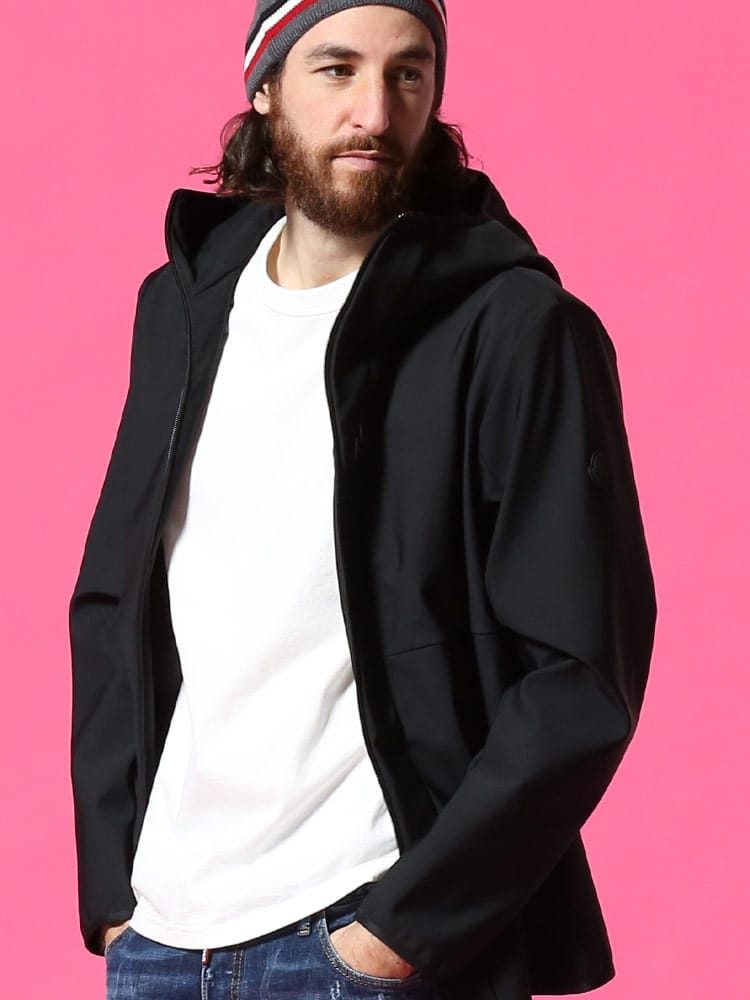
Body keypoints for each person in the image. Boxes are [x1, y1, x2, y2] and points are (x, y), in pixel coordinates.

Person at [69, 2, 656, 998]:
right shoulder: (181, 309)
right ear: (266, 89)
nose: (375, 113)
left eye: (407, 74)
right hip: (162, 938)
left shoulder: (516, 327)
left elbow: (581, 667)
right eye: (337, 69)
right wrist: (113, 885)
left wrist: (400, 934)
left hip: (363, 936)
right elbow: (114, 601)